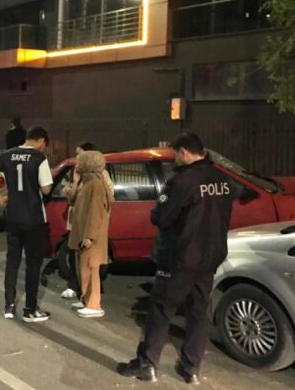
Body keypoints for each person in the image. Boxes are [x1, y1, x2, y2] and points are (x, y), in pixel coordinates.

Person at [118, 133, 239, 384]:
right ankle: (191, 367)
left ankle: (146, 364)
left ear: (184, 152)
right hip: (210, 256)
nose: (175, 158)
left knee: (161, 310)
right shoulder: (222, 179)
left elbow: (161, 218)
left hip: (181, 258)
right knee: (197, 312)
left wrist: (158, 211)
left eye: (175, 154)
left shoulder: (183, 182)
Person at [0, 126, 53, 323]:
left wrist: (0, 199)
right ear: (41, 141)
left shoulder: (8, 155)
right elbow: (47, 189)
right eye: (44, 145)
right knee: (33, 264)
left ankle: (9, 305)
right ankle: (30, 309)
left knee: (12, 261)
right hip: (34, 219)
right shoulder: (39, 158)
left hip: (13, 216)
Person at [67, 151, 113, 318]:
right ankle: (86, 300)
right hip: (83, 234)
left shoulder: (96, 184)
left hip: (90, 236)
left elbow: (96, 212)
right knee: (84, 269)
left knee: (91, 269)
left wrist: (89, 237)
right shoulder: (88, 182)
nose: (77, 164)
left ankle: (94, 305)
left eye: (80, 161)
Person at [60, 142, 99, 300]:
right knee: (73, 254)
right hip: (75, 222)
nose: (77, 158)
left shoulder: (98, 177)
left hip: (87, 222)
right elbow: (71, 199)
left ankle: (89, 294)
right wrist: (75, 182)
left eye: (80, 155)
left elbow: (105, 199)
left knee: (88, 258)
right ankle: (74, 286)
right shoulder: (76, 174)